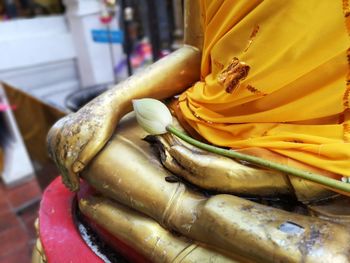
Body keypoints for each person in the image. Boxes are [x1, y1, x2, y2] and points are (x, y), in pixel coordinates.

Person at [47, 0, 350, 261]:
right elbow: (196, 49)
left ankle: (190, 225)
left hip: (320, 152)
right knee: (74, 141)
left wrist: (280, 174)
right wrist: (106, 106)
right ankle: (215, 223)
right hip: (200, 120)